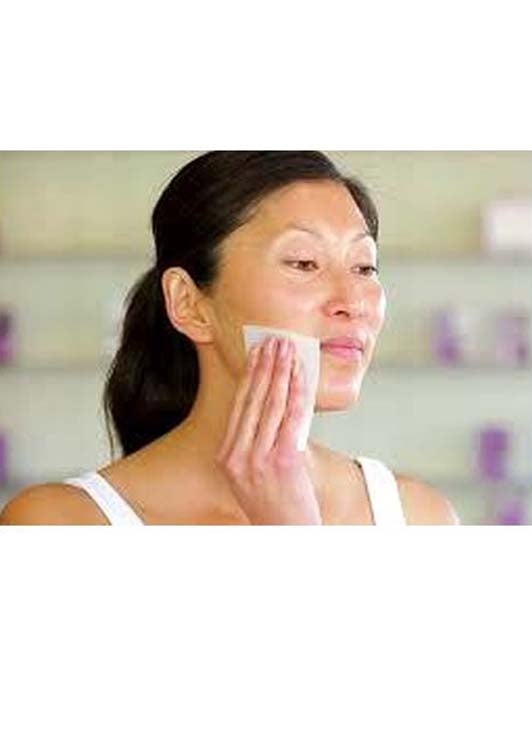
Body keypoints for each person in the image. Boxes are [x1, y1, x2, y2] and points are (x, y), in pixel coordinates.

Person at [0, 151, 460, 525]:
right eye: (304, 263)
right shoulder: (61, 522)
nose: (353, 302)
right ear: (189, 304)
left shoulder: (418, 517)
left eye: (364, 267)